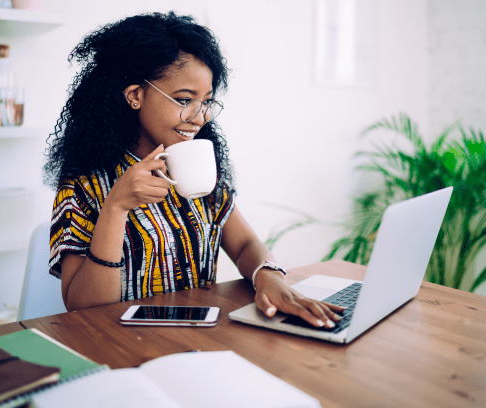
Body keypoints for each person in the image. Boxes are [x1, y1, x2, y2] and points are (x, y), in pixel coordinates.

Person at [43, 11, 344, 329]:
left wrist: (268, 276)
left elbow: (244, 245)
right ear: (135, 95)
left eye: (207, 102)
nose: (200, 117)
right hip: (117, 345)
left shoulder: (194, 164)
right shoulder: (83, 184)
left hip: (199, 335)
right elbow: (82, 307)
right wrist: (116, 207)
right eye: (185, 99)